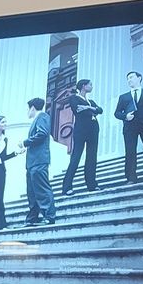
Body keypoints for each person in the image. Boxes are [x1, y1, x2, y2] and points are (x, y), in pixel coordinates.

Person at [114, 70, 143, 182]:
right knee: (130, 151)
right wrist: (125, 116)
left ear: (139, 78)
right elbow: (117, 113)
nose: (129, 80)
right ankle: (131, 177)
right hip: (130, 127)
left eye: (131, 77)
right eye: (128, 78)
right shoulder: (123, 97)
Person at [61, 79, 103, 194]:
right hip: (81, 130)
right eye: (90, 84)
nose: (91, 86)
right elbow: (78, 110)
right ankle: (67, 187)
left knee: (92, 157)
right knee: (76, 157)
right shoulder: (74, 98)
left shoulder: (91, 101)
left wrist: (88, 108)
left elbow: (100, 110)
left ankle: (92, 185)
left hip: (93, 130)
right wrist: (92, 110)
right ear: (84, 86)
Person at [22, 97, 57, 226]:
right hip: (33, 161)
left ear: (32, 108)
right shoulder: (38, 119)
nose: (27, 112)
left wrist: (25, 143)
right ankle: (33, 217)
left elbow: (42, 134)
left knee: (42, 188)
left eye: (27, 109)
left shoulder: (42, 117)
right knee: (32, 191)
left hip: (39, 160)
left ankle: (49, 215)